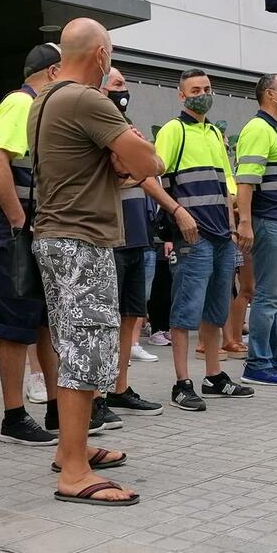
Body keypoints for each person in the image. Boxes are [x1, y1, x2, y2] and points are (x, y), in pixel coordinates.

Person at [29, 18, 162, 506]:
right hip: (80, 239)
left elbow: (105, 166)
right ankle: (74, 472)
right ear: (102, 54)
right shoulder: (87, 100)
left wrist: (119, 158)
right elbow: (148, 164)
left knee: (74, 345)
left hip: (57, 236)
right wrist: (133, 150)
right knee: (84, 350)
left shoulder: (45, 98)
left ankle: (72, 449)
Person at [0, 43, 66, 446]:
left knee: (44, 321)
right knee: (14, 326)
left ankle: (56, 407)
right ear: (53, 72)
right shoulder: (20, 103)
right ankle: (14, 417)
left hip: (30, 231)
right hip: (10, 233)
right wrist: (19, 221)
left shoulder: (38, 107)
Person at [152, 69, 252, 411]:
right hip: (193, 237)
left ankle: (214, 376)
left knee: (216, 309)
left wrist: (232, 227)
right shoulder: (173, 130)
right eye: (195, 89)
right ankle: (182, 383)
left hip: (222, 236)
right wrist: (178, 213)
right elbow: (152, 176)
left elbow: (226, 185)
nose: (203, 94)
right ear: (182, 95)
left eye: (207, 88)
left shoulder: (213, 133)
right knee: (185, 310)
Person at [100, 68, 164, 417]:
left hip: (137, 235)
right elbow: (124, 172)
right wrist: (134, 165)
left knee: (130, 315)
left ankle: (119, 387)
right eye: (118, 84)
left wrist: (136, 164)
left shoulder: (127, 127)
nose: (124, 90)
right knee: (105, 319)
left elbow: (152, 167)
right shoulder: (98, 125)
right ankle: (96, 395)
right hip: (110, 235)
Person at [234, 73, 277, 387]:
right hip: (271, 220)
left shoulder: (276, 129)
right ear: (269, 94)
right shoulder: (258, 128)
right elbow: (246, 180)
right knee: (269, 294)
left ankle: (273, 358)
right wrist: (245, 222)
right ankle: (258, 363)